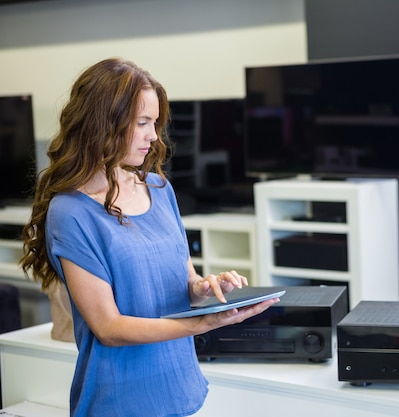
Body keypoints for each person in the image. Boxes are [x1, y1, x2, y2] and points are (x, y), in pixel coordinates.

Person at [19, 57, 279, 417]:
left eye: (154, 123)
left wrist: (206, 287)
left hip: (181, 388)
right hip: (120, 401)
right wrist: (202, 323)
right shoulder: (72, 213)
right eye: (142, 123)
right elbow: (108, 327)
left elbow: (184, 281)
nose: (153, 136)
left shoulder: (158, 188)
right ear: (102, 124)